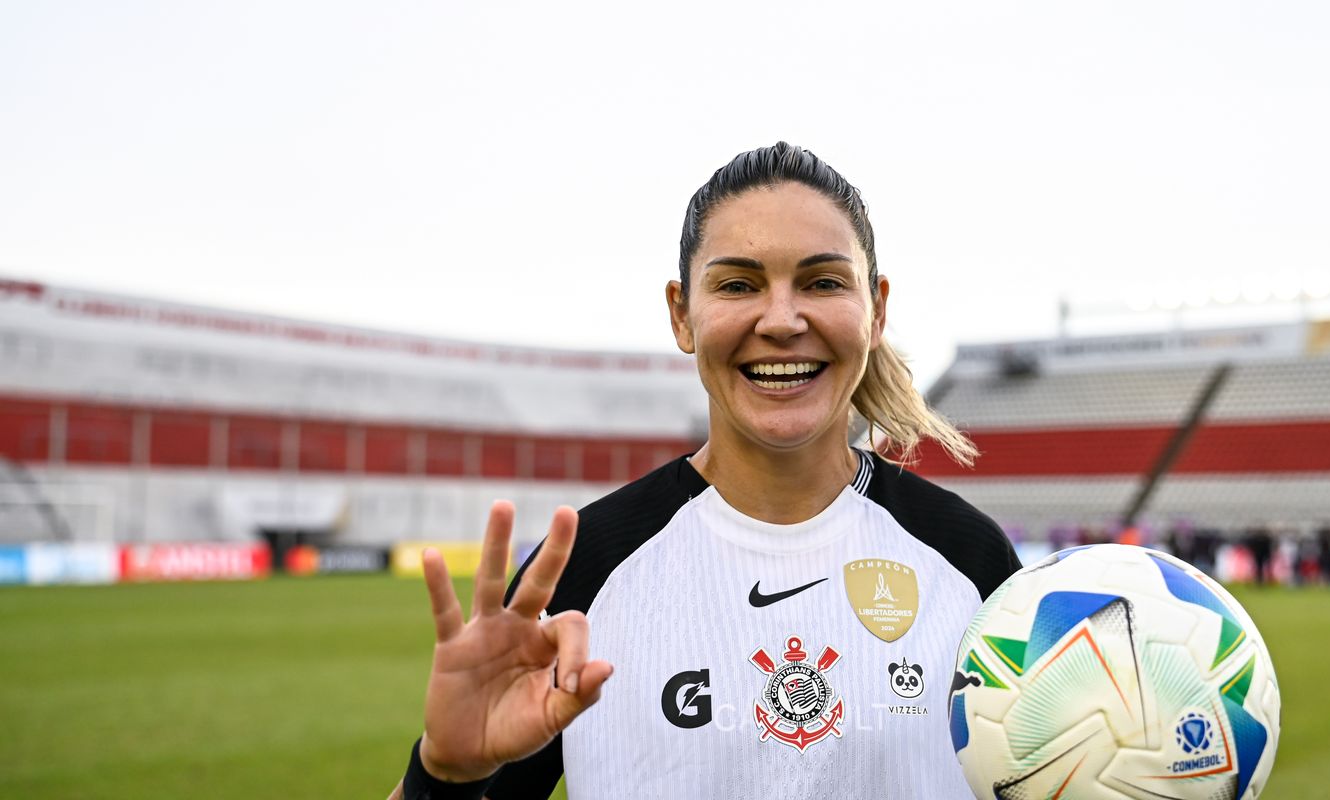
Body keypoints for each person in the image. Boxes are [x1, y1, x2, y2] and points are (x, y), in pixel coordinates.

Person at [390, 143, 1022, 800]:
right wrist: (444, 776)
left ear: (877, 310)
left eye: (823, 283)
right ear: (681, 314)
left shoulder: (969, 562)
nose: (782, 321)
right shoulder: (588, 567)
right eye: (738, 285)